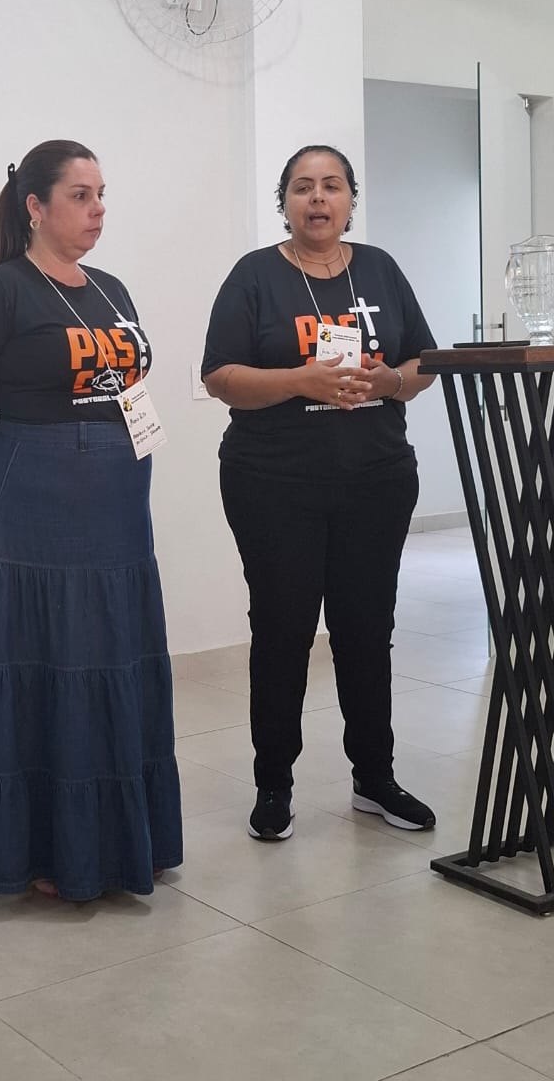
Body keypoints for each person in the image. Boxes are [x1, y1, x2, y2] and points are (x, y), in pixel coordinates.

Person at [0, 139, 182, 899]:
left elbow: (129, 388)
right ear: (35, 207)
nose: (98, 209)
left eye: (102, 195)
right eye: (80, 195)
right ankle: (45, 849)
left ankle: (120, 839)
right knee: (47, 659)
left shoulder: (111, 289)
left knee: (111, 654)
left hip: (117, 506)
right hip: (32, 506)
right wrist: (17, 455)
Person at [201, 144, 437, 841]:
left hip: (377, 481)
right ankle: (273, 785)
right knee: (283, 631)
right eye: (303, 187)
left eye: (332, 186)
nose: (318, 199)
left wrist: (391, 381)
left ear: (351, 199)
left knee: (367, 629)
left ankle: (375, 778)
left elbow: (423, 361)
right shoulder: (254, 276)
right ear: (284, 202)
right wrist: (300, 381)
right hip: (274, 485)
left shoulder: (381, 269)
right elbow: (221, 377)